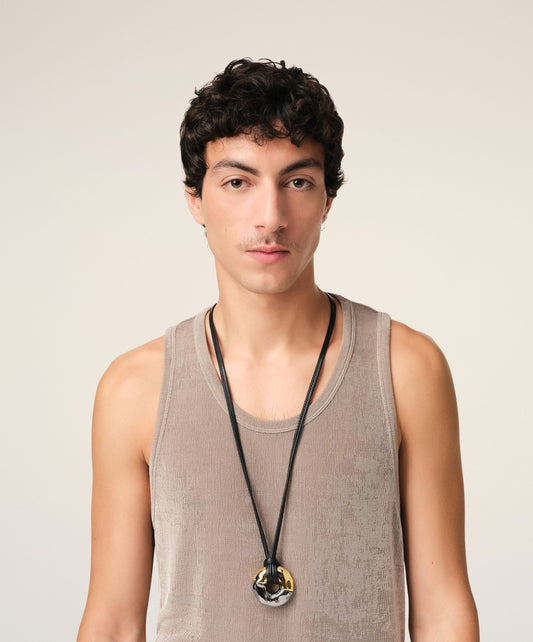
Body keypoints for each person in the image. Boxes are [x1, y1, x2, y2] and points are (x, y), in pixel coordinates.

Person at [77, 58, 479, 641]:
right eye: (237, 182)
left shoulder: (405, 368)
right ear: (195, 200)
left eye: (297, 182)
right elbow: (113, 622)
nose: (270, 218)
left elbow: (444, 612)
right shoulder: (134, 389)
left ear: (327, 199)